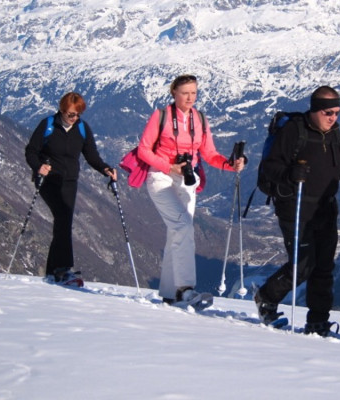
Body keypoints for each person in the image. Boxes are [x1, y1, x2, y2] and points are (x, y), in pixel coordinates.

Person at [254, 86, 340, 336]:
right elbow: (269, 167)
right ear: (315, 109)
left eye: (337, 112)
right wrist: (290, 174)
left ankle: (318, 321)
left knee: (323, 267)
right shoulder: (293, 131)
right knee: (303, 265)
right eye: (328, 112)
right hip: (295, 205)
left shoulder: (334, 134)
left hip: (325, 207)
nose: (333, 118)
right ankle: (266, 297)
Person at [137, 74, 245, 306]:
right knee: (183, 226)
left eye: (194, 92)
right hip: (161, 177)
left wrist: (229, 164)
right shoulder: (161, 116)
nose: (190, 97)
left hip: (186, 179)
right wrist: (169, 167)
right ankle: (185, 289)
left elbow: (209, 154)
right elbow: (144, 150)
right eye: (185, 92)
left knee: (178, 232)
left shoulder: (201, 119)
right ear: (173, 93)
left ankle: (169, 293)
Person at [25, 92, 117, 286]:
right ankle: (63, 269)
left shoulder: (82, 128)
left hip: (69, 182)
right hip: (48, 181)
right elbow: (31, 151)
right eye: (70, 114)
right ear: (62, 110)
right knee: (63, 219)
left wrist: (105, 169)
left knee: (62, 222)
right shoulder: (48, 124)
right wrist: (38, 166)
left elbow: (91, 156)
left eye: (77, 114)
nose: (74, 118)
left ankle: (53, 271)